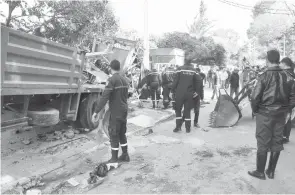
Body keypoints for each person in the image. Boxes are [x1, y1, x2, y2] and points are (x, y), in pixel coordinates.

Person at [248, 50, 295, 180]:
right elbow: (293, 98)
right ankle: (271, 171)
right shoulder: (288, 76)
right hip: (280, 115)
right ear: (278, 60)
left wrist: (256, 110)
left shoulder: (263, 76)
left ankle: (260, 172)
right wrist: (286, 110)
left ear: (267, 60)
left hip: (265, 114)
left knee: (263, 141)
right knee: (277, 141)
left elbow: (255, 97)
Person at [92, 60, 130, 163]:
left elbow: (104, 97)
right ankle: (125, 155)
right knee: (122, 133)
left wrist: (96, 111)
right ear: (119, 68)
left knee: (114, 134)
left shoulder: (111, 80)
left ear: (110, 68)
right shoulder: (125, 80)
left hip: (116, 111)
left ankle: (114, 159)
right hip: (124, 110)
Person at [172, 59, 202, 133]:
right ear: (190, 63)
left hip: (179, 93)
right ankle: (188, 129)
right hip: (189, 93)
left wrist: (172, 91)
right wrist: (197, 92)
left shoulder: (179, 69)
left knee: (178, 110)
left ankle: (178, 127)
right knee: (187, 111)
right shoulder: (194, 70)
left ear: (184, 62)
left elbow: (175, 81)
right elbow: (199, 81)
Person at [280, 57, 295, 144]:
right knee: (287, 119)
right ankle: (285, 136)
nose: (279, 65)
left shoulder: (285, 74)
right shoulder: (290, 73)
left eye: (280, 63)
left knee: (283, 119)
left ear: (285, 64)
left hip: (285, 102)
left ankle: (283, 137)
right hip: (289, 102)